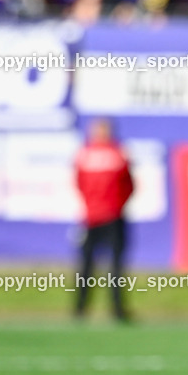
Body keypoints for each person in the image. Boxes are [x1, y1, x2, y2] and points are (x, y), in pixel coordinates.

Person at [74, 118, 134, 321]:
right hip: (113, 216)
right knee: (115, 267)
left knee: (86, 266)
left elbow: (79, 183)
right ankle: (117, 310)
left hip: (91, 217)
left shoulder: (85, 154)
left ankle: (80, 309)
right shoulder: (118, 153)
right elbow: (129, 184)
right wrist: (118, 204)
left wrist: (91, 205)